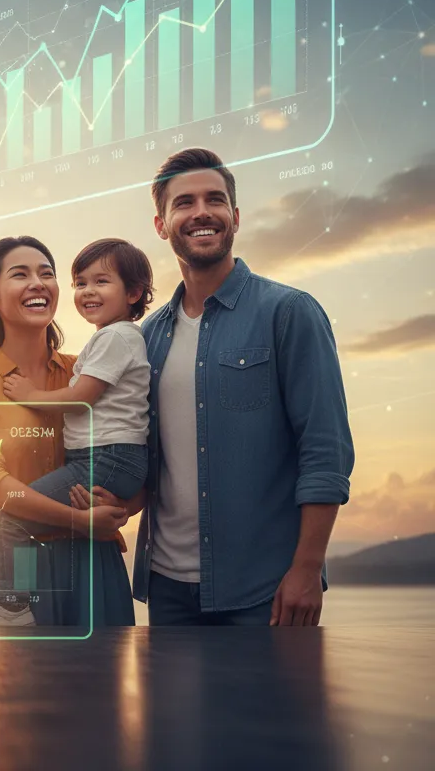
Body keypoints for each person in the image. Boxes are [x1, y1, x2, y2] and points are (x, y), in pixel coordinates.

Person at [119, 147, 354, 626]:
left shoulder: (289, 313)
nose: (201, 212)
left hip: (265, 590)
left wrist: (307, 569)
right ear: (161, 225)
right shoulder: (147, 337)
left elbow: (325, 450)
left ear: (236, 217)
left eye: (215, 199)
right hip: (166, 589)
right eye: (184, 202)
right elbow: (145, 456)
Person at [0, 235, 135, 629]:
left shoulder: (87, 373)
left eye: (46, 274)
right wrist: (78, 519)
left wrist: (124, 504)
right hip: (12, 568)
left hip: (91, 564)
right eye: (20, 275)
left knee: (103, 672)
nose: (38, 283)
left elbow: (135, 446)